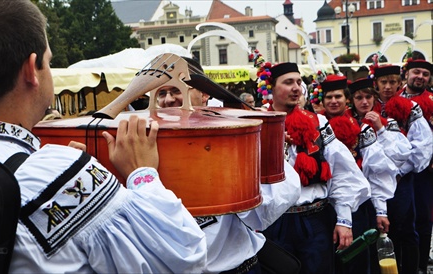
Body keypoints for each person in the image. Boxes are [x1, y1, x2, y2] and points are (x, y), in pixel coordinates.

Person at [0, 1, 207, 273]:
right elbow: (185, 254)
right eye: (48, 62)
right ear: (32, 70)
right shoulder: (63, 173)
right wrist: (142, 174)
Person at [155, 56, 302, 273]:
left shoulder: (232, 134)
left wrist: (261, 147)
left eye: (176, 90)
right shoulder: (146, 142)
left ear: (204, 93)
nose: (168, 100)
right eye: (161, 93)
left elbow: (263, 212)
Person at [260, 62, 370, 274]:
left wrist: (344, 219)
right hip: (274, 221)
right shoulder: (257, 123)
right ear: (271, 87)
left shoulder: (317, 123)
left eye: (299, 82)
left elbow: (343, 172)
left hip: (315, 220)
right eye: (288, 82)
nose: (296, 88)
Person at [318, 76, 400, 273]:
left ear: (347, 100)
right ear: (322, 102)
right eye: (328, 97)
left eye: (338, 96)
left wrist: (381, 211)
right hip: (323, 208)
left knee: (357, 259)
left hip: (357, 206)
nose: (333, 101)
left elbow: (377, 171)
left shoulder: (362, 129)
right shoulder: (315, 127)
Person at [372, 64, 433, 274]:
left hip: (403, 179)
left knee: (407, 229)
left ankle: (414, 269)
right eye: (383, 83)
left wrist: (398, 171)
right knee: (380, 230)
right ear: (376, 85)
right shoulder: (365, 105)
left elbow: (423, 146)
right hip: (375, 181)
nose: (388, 87)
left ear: (400, 83)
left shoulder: (411, 107)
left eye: (392, 82)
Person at [397, 59, 433, 274]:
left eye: (425, 74)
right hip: (399, 168)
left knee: (423, 215)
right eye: (416, 72)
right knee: (401, 216)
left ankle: (419, 264)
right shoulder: (394, 97)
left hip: (425, 170)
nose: (420, 77)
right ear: (407, 74)